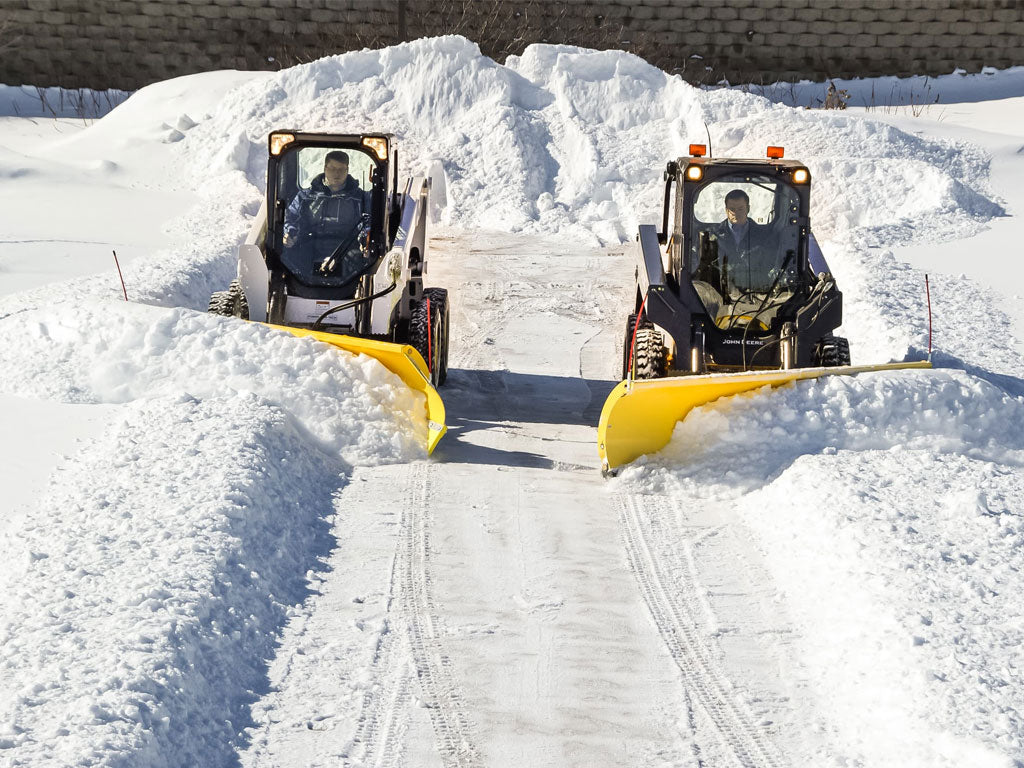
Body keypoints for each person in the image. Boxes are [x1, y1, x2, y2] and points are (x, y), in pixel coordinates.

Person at [282, 151, 371, 279]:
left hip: (347, 247)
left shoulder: (360, 198)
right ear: (325, 168)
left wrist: (365, 239)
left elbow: (368, 221)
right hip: (312, 244)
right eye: (332, 168)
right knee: (291, 256)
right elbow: (291, 217)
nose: (337, 174)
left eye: (341, 169)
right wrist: (290, 233)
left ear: (348, 170)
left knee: (358, 260)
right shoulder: (306, 197)